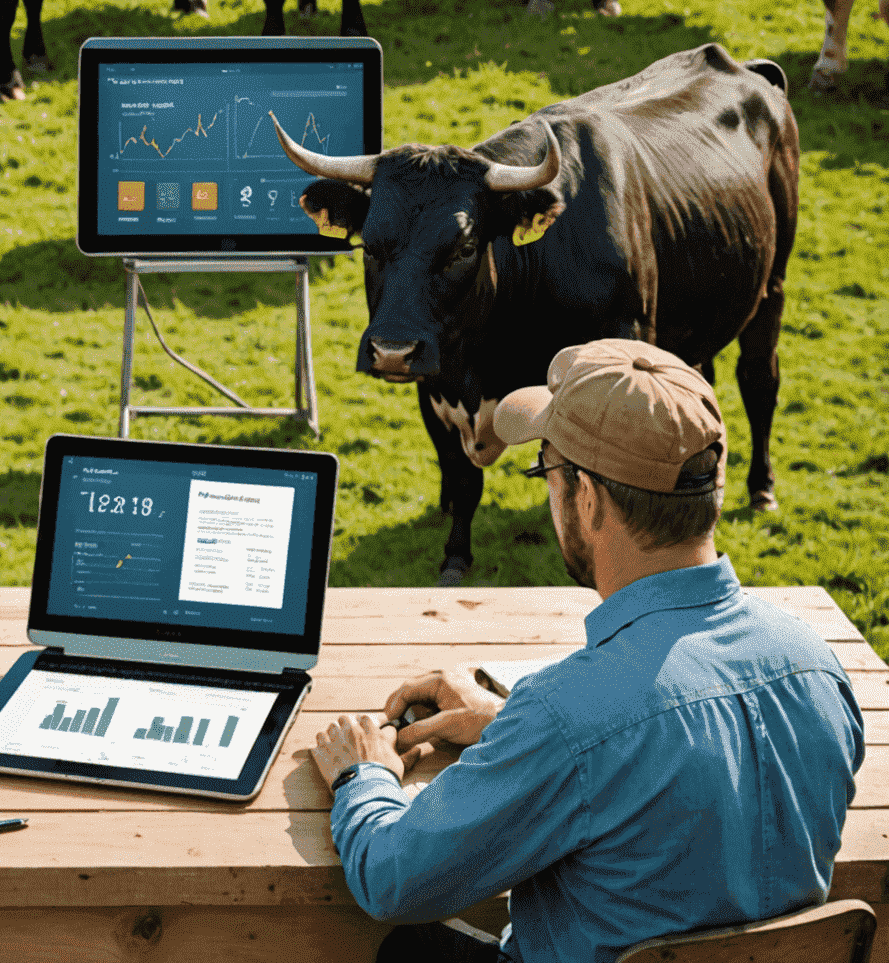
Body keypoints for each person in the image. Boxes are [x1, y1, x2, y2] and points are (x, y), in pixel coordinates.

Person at [310, 339, 864, 963]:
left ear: (590, 499)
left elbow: (392, 881)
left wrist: (365, 775)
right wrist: (508, 728)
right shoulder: (817, 667)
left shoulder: (569, 717)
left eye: (546, 470)